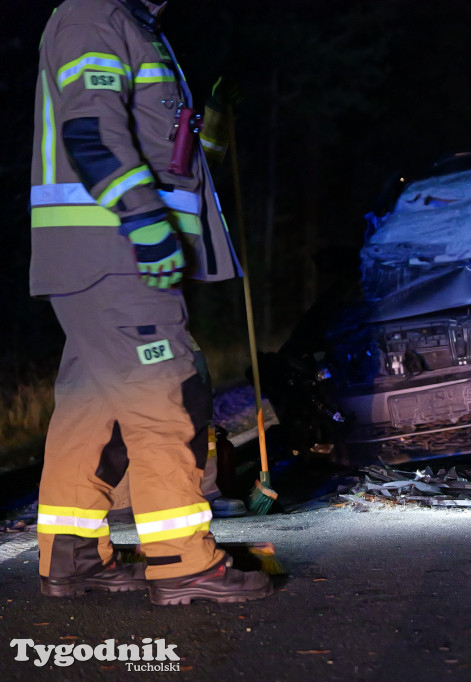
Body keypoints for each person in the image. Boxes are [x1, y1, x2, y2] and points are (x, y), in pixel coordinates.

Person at [30, 0, 271, 604]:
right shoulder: (93, 16)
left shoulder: (133, 29)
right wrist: (142, 221)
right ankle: (183, 562)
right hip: (117, 253)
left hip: (107, 258)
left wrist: (211, 124)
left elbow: (176, 166)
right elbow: (90, 131)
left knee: (90, 407)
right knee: (166, 395)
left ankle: (73, 556)